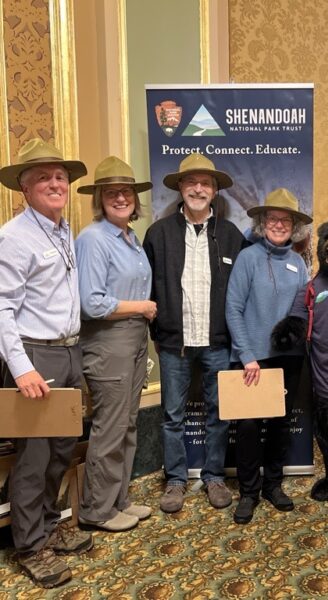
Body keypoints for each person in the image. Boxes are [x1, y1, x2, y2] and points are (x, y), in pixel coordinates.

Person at [0, 138, 93, 588]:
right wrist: (21, 368)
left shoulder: (61, 229)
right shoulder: (13, 237)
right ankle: (30, 546)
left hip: (69, 351)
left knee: (61, 450)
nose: (55, 183)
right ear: (24, 187)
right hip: (36, 355)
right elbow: (1, 308)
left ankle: (50, 525)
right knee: (34, 457)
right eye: (43, 177)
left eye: (60, 176)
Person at [143, 153, 246, 513]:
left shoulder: (232, 236)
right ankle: (175, 480)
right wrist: (159, 330)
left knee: (220, 414)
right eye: (191, 182)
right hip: (176, 345)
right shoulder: (158, 233)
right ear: (180, 189)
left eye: (205, 183)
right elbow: (148, 289)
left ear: (215, 191)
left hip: (218, 343)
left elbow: (241, 292)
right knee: (173, 415)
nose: (198, 189)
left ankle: (214, 476)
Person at [75, 156, 156, 532]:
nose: (121, 198)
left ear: (135, 199)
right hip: (109, 341)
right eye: (112, 193)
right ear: (100, 199)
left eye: (126, 192)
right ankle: (97, 511)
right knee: (110, 427)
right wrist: (140, 306)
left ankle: (118, 499)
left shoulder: (130, 238)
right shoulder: (93, 239)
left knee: (127, 424)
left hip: (133, 337)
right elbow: (91, 302)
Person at [226, 188, 311, 524]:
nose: (279, 224)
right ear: (262, 223)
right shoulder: (247, 258)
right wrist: (246, 355)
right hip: (251, 359)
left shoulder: (297, 263)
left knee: (279, 424)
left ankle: (273, 485)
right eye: (273, 219)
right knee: (248, 428)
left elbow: (303, 309)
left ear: (294, 226)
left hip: (288, 358)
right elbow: (232, 308)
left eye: (285, 219)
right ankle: (248, 492)